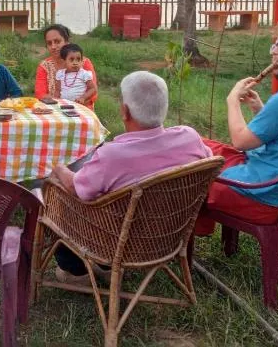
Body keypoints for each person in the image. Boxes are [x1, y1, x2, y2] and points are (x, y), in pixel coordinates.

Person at [50, 71, 212, 282]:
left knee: (54, 188)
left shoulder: (111, 156)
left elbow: (76, 189)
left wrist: (58, 168)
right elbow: (208, 164)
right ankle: (104, 268)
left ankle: (77, 269)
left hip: (113, 242)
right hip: (170, 236)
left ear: (124, 111)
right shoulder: (189, 137)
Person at [196, 21, 278, 234]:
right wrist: (260, 109)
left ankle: (171, 242)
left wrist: (232, 100)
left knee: (185, 179)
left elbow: (240, 141)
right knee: (195, 143)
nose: (274, 52)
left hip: (260, 195)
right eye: (274, 46)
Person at [35, 24, 97, 105]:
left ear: (67, 42)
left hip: (82, 109)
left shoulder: (84, 63)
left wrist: (78, 102)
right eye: (49, 43)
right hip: (55, 108)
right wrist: (60, 103)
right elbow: (40, 95)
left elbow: (93, 94)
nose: (53, 46)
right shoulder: (44, 66)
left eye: (57, 41)